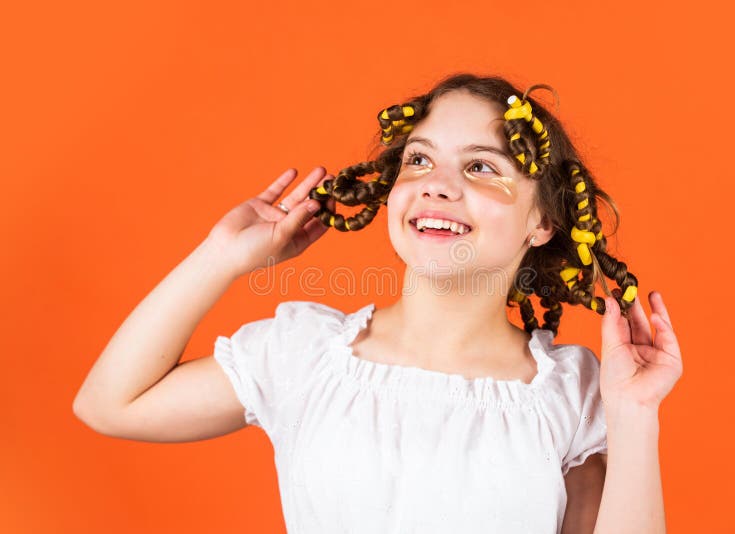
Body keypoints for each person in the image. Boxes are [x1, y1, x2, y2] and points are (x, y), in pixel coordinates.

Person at [73, 73, 683, 534]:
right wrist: (222, 257)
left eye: (481, 167)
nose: (437, 184)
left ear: (543, 222)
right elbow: (112, 404)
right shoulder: (305, 356)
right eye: (419, 159)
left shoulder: (570, 398)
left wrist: (633, 414)